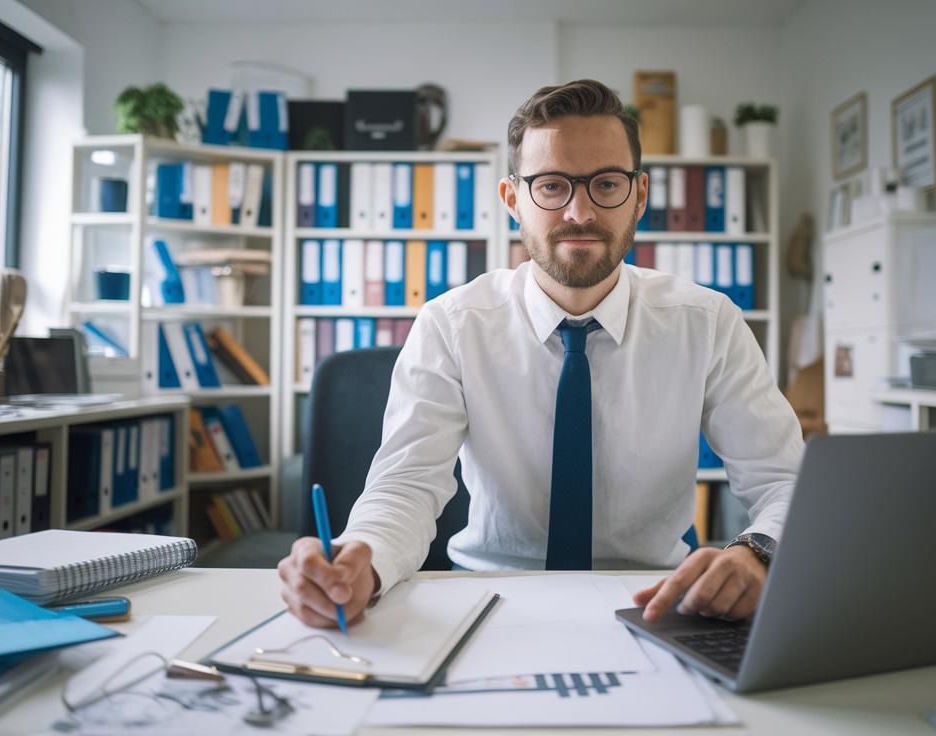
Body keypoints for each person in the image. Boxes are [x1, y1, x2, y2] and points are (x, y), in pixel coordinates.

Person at [278, 79, 803, 629]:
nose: (579, 212)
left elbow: (783, 481)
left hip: (657, 603)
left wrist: (757, 552)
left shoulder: (708, 322)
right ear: (513, 200)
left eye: (606, 183)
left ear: (641, 195)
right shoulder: (451, 325)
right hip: (490, 602)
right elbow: (406, 485)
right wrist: (366, 559)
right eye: (551, 186)